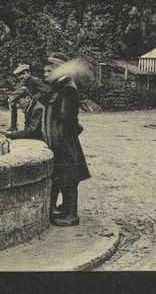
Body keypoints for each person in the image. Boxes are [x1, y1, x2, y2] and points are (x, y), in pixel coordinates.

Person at [41, 53, 91, 227]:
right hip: (58, 141)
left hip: (64, 142)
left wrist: (67, 136)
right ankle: (66, 209)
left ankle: (71, 215)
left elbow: (68, 119)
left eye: (48, 71)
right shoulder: (59, 87)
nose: (45, 74)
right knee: (62, 175)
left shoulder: (68, 88)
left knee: (69, 176)